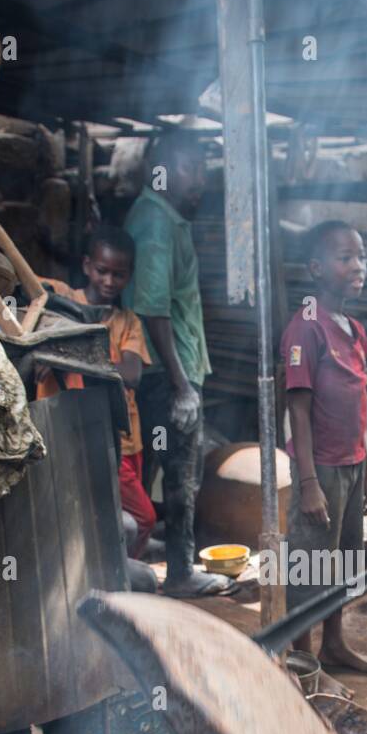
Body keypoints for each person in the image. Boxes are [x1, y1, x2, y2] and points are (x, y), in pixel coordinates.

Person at [123, 127, 228, 597]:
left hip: (161, 373)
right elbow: (153, 308)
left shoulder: (161, 219)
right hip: (164, 376)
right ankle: (181, 572)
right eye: (189, 168)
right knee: (181, 477)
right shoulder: (157, 225)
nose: (199, 180)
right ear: (159, 171)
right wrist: (183, 385)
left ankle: (134, 562)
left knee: (150, 470)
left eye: (202, 169)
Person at [283, 220, 367, 674]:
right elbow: (298, 410)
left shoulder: (354, 329)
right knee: (307, 569)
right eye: (346, 258)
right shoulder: (306, 328)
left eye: (360, 256)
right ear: (317, 268)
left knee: (344, 563)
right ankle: (302, 660)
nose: (358, 266)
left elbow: (359, 402)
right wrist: (307, 483)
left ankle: (334, 644)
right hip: (319, 469)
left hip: (352, 466)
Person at [36, 225, 156, 560]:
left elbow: (131, 374)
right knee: (115, 517)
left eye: (119, 275)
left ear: (129, 277)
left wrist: (67, 359)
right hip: (65, 434)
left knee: (135, 519)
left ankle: (121, 574)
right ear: (87, 265)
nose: (108, 281)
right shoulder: (60, 300)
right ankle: (111, 574)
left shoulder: (127, 321)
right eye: (102, 271)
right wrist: (45, 352)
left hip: (121, 438)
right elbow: (20, 298)